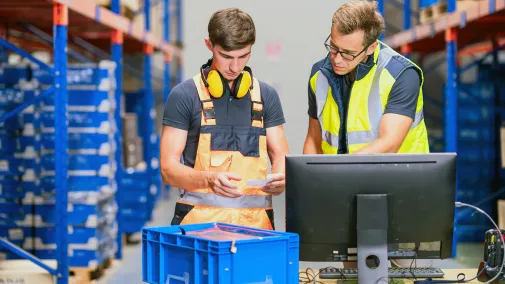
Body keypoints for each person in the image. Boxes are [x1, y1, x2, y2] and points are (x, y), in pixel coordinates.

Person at [160, 8, 289, 231]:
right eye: (227, 56)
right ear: (209, 46)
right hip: (199, 233)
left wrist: (281, 177)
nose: (235, 67)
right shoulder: (184, 95)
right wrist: (208, 180)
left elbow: (281, 155)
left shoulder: (265, 95)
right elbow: (168, 169)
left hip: (256, 231)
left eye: (243, 56)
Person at [303, 0, 429, 156]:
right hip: (340, 178)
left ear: (371, 48)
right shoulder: (319, 74)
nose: (337, 59)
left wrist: (343, 170)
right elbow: (313, 141)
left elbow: (389, 144)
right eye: (334, 47)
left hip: (397, 178)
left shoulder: (401, 75)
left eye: (348, 54)